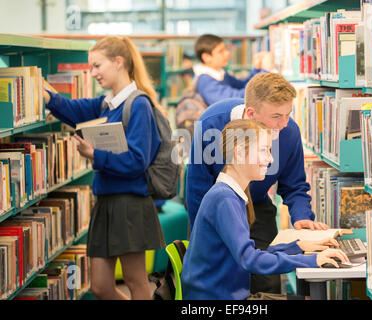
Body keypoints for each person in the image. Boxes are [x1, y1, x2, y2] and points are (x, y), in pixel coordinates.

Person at [42, 36, 166, 300]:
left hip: (130, 204)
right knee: (99, 286)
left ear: (118, 62)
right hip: (106, 203)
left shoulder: (138, 104)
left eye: (97, 66)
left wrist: (95, 155)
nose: (93, 72)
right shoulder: (106, 104)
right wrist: (47, 96)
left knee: (136, 282)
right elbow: (72, 110)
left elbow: (136, 161)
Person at [186, 72, 329, 294]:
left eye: (288, 114)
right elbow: (197, 189)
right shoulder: (210, 123)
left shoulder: (288, 131)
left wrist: (301, 218)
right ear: (251, 113)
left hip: (257, 204)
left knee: (267, 281)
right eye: (276, 117)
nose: (284, 124)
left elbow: (295, 184)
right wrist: (202, 238)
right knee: (225, 270)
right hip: (218, 204)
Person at [181, 119, 349, 300]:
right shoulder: (224, 199)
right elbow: (249, 259)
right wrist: (312, 260)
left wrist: (297, 247)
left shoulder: (230, 193)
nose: (270, 158)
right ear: (239, 154)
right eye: (264, 150)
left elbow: (248, 253)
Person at [193, 34, 273, 106]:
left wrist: (257, 69)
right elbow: (237, 99)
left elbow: (242, 85)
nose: (227, 53)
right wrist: (265, 71)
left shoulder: (219, 73)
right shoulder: (206, 81)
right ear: (206, 57)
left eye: (226, 49)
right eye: (221, 51)